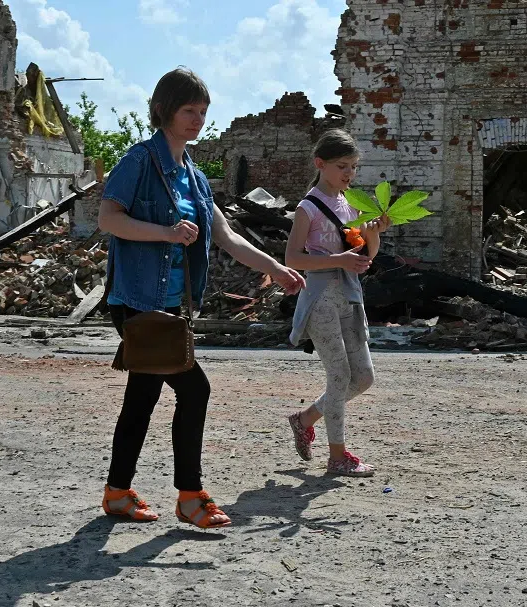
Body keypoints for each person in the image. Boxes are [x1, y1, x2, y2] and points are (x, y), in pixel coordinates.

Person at [97, 67, 305, 528]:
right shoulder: (139, 161)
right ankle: (190, 496)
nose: (198, 120)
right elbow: (109, 219)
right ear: (163, 110)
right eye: (189, 110)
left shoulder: (193, 175)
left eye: (203, 112)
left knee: (143, 395)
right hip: (136, 299)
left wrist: (275, 268)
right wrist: (165, 233)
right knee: (196, 388)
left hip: (172, 305)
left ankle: (118, 492)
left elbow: (226, 236)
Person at [284, 130, 392, 477]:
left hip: (350, 295)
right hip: (320, 299)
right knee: (339, 374)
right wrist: (339, 261)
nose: (349, 173)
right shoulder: (307, 207)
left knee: (362, 378)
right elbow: (293, 258)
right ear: (321, 164)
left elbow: (364, 256)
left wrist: (374, 234)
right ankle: (337, 457)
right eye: (342, 166)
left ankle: (305, 419)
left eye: (354, 167)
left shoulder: (352, 204)